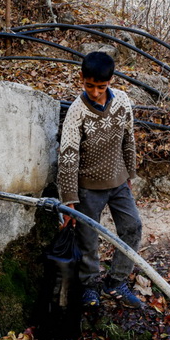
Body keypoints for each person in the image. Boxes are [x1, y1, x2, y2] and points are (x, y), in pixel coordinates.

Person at [57, 51, 143, 309]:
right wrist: (69, 200)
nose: (95, 92)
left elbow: (129, 138)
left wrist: (130, 173)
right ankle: (90, 287)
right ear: (81, 78)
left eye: (101, 87)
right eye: (89, 85)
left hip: (118, 183)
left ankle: (116, 281)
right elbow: (68, 156)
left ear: (111, 81)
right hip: (87, 189)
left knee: (132, 227)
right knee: (88, 239)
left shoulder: (123, 102)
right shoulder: (76, 112)